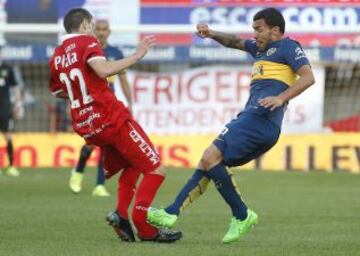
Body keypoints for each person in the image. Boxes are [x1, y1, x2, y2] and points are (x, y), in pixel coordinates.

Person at [147, 8, 315, 244]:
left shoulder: (288, 47)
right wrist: (211, 33)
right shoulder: (259, 49)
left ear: (275, 29)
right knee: (209, 160)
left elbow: (308, 77)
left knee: (211, 156)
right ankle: (172, 212)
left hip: (261, 118)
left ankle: (242, 214)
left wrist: (280, 98)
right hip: (253, 118)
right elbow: (234, 42)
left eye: (259, 29)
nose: (254, 34)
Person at [49, 8, 182, 243]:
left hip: (87, 125)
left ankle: (121, 215)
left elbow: (60, 90)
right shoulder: (87, 41)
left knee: (132, 164)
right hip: (111, 118)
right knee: (156, 169)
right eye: (91, 25)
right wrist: (137, 55)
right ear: (84, 25)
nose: (93, 30)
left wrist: (85, 93)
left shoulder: (57, 55)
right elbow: (103, 69)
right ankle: (145, 227)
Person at [69, 19, 133, 197]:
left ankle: (99, 185)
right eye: (99, 29)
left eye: (105, 29)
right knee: (91, 144)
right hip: (90, 104)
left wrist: (130, 103)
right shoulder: (85, 50)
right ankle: (79, 170)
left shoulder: (115, 53)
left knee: (108, 143)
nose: (102, 32)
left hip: (108, 104)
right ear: (93, 30)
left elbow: (124, 80)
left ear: (109, 32)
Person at [0, 47, 22, 176]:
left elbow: (15, 87)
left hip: (5, 108)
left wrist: (17, 104)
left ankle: (11, 165)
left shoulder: (7, 68)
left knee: (8, 136)